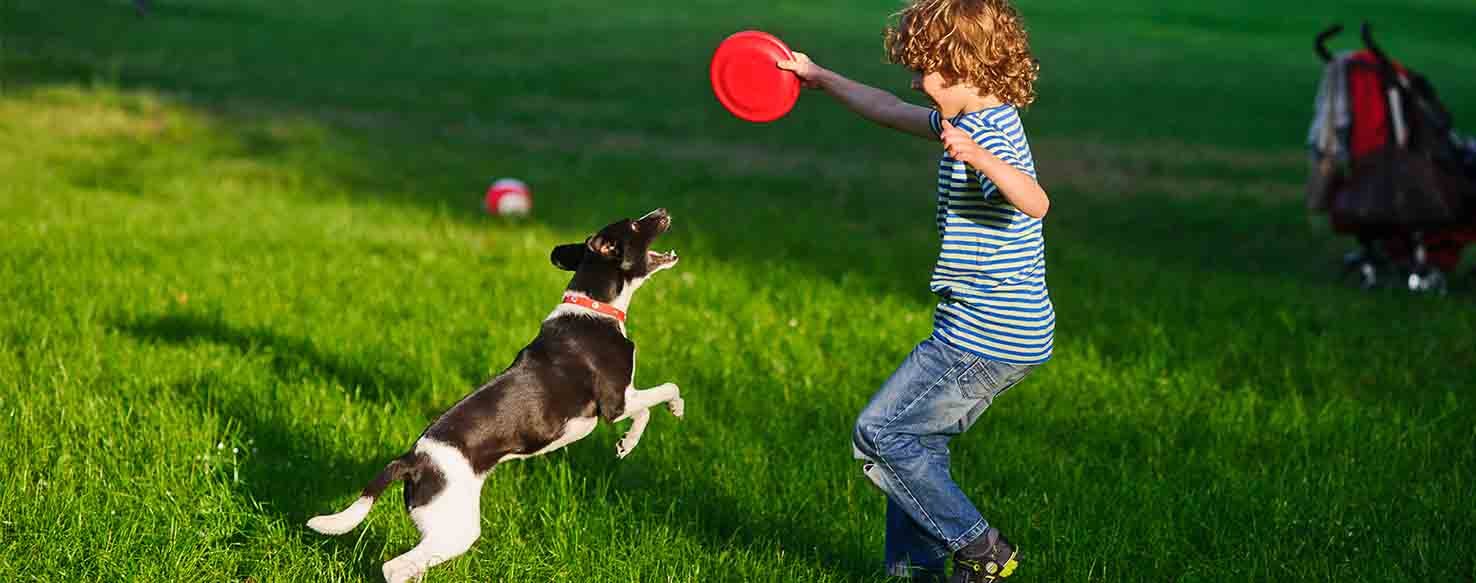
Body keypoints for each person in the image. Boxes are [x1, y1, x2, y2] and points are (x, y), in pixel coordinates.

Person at [778, 0, 1052, 580]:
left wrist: (980, 158)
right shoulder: (962, 119)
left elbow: (1036, 200)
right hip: (995, 330)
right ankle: (913, 573)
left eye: (923, 68)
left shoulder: (991, 133)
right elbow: (887, 109)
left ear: (961, 67)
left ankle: (982, 550)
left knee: (879, 432)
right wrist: (819, 77)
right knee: (917, 446)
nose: (913, 80)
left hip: (986, 337)